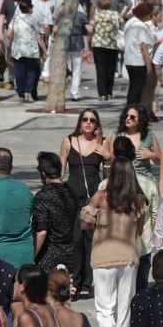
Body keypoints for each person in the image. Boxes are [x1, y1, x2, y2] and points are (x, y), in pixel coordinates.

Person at [82, 157, 148, 327]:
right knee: (124, 306)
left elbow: (84, 223)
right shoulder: (138, 200)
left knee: (104, 306)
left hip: (103, 256)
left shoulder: (101, 197)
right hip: (129, 255)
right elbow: (139, 229)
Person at [62, 110, 112, 297]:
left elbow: (108, 176)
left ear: (97, 124)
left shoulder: (103, 142)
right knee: (75, 239)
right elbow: (61, 167)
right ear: (80, 122)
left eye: (93, 120)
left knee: (90, 240)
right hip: (73, 196)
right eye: (85, 119)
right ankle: (74, 280)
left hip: (93, 198)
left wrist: (107, 158)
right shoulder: (69, 141)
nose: (88, 123)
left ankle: (87, 284)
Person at [33, 151, 81, 274]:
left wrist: (32, 256)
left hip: (48, 258)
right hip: (71, 258)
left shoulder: (43, 196)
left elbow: (42, 232)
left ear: (43, 174)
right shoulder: (72, 192)